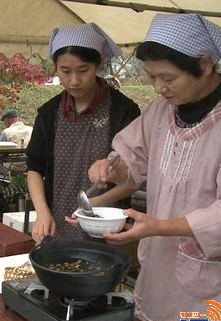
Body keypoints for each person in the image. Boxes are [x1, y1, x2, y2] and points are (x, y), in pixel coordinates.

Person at [88, 14, 221, 321]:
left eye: (167, 78)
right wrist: (112, 166)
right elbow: (132, 158)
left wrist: (159, 226)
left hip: (218, 285)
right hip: (160, 273)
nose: (158, 88)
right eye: (152, 77)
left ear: (205, 64)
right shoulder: (163, 110)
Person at [26, 23, 141, 242]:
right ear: (56, 67)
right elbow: (34, 167)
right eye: (65, 71)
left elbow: (136, 175)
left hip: (108, 226)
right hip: (57, 224)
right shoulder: (49, 113)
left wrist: (93, 206)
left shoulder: (123, 111)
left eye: (83, 70)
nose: (74, 80)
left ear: (99, 63)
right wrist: (42, 212)